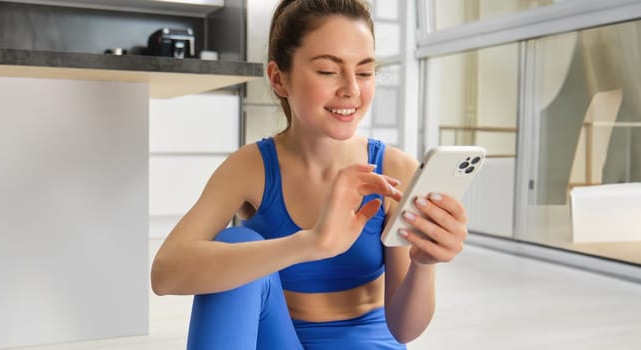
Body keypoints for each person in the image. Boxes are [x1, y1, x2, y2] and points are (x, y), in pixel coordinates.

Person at [150, 0, 469, 348]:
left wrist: (425, 264)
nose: (351, 89)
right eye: (328, 71)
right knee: (235, 246)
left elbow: (405, 330)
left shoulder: (394, 171)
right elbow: (166, 273)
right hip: (280, 341)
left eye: (364, 71)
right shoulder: (250, 168)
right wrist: (311, 243)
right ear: (279, 78)